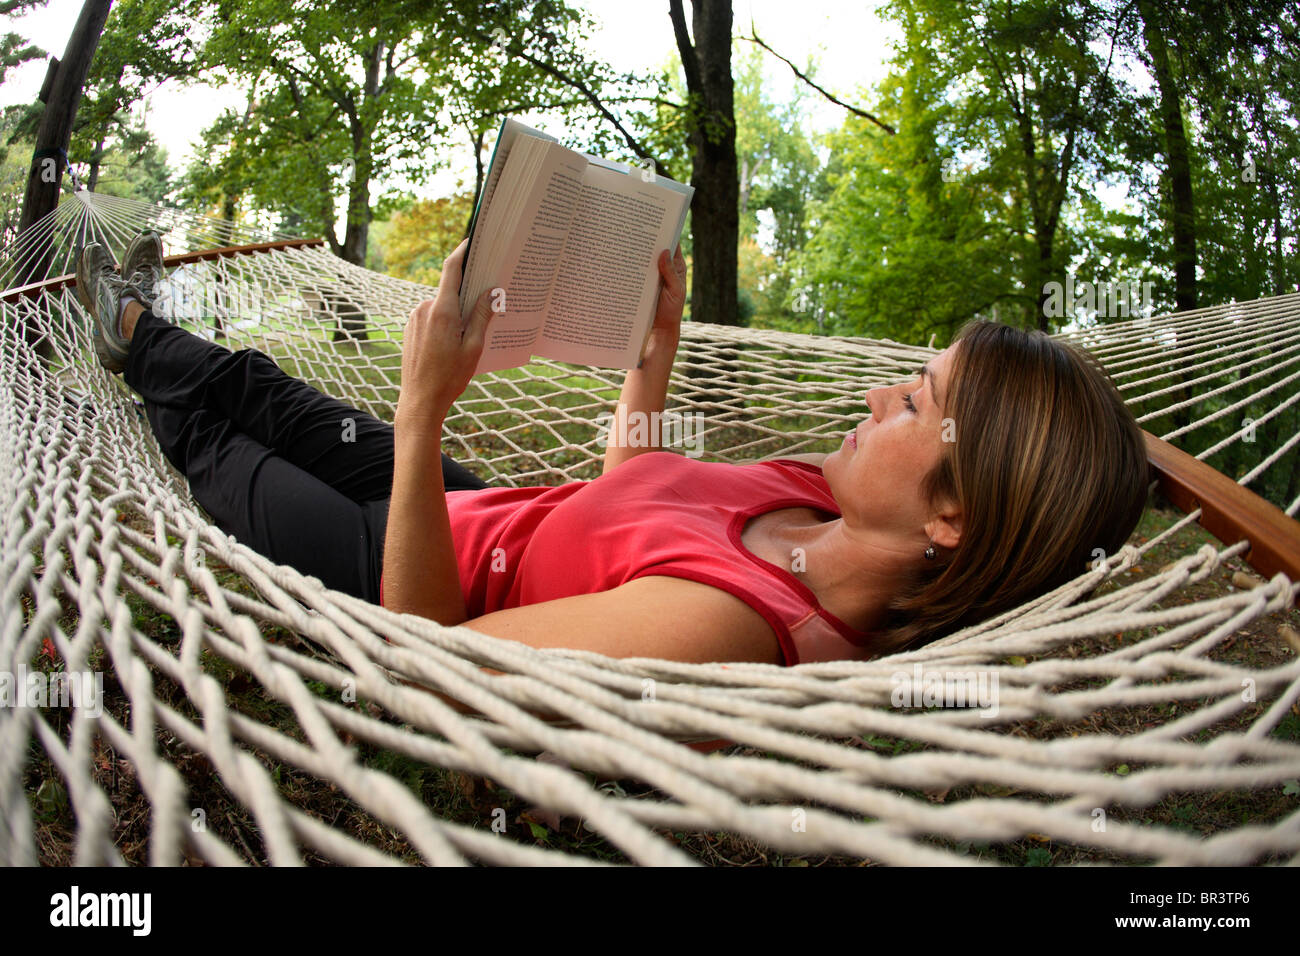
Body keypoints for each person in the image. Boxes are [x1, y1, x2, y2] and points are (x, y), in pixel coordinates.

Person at [77, 232, 1149, 666]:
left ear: (950, 517)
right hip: (481, 505)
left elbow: (433, 647)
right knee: (269, 388)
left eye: (915, 402)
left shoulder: (730, 624)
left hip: (401, 564)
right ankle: (131, 319)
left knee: (222, 447)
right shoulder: (817, 501)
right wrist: (653, 351)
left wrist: (420, 411)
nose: (877, 393)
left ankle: (120, 340)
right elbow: (633, 504)